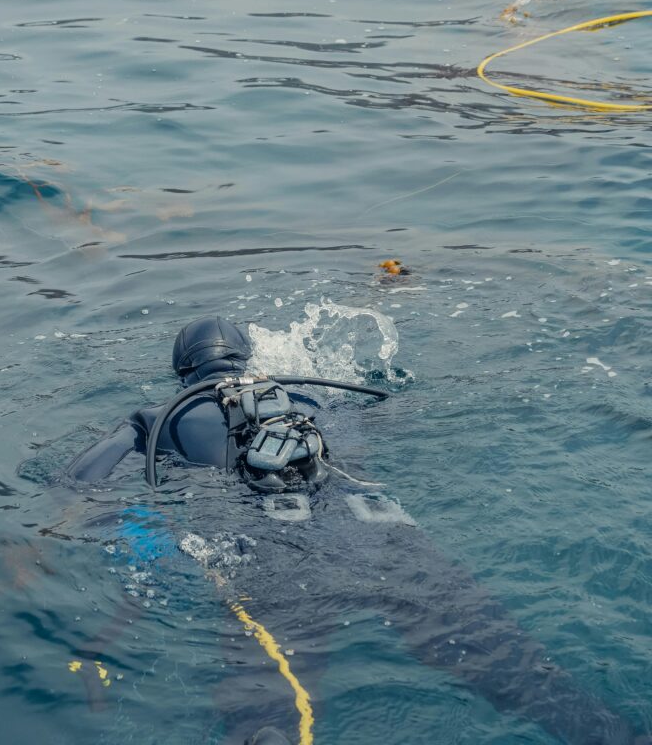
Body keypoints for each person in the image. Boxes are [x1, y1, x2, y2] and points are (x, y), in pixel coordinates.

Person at [67, 317, 648, 745]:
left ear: (181, 371)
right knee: (522, 672)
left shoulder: (155, 418)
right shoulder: (307, 394)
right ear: (249, 358)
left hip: (275, 555)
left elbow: (79, 480)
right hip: (381, 532)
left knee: (269, 715)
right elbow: (391, 415)